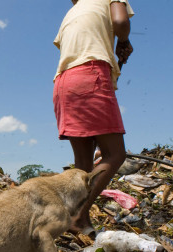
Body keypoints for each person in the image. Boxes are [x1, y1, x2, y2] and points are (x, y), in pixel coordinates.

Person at [53, 0, 134, 235]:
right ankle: (76, 214)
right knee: (115, 153)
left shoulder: (71, 12)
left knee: (83, 165)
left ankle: (79, 221)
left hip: (63, 83)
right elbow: (120, 21)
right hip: (90, 76)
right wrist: (124, 41)